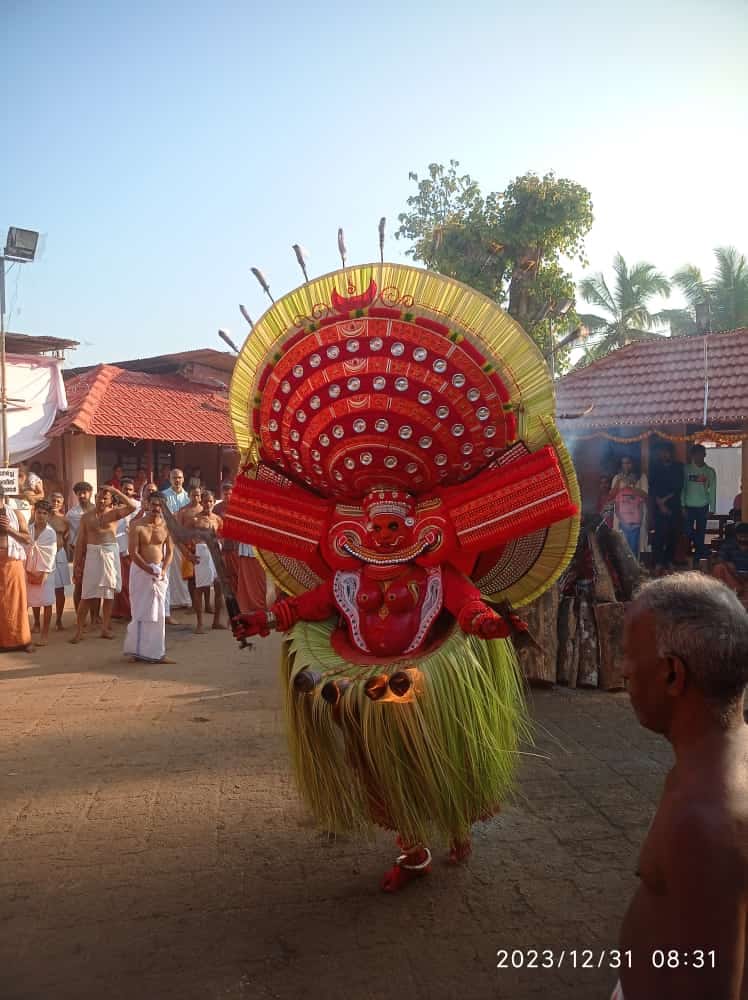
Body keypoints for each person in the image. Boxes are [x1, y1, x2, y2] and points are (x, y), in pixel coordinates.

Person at [226, 259, 579, 892]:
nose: (386, 534)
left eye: (397, 523)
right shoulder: (345, 578)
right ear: (350, 526)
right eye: (374, 524)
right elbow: (312, 605)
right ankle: (412, 846)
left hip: (424, 669)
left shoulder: (438, 572)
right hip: (361, 675)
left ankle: (453, 821)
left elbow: (467, 600)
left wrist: (483, 620)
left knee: (434, 751)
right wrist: (268, 616)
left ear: (421, 523)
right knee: (378, 765)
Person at [618, 574, 748, 1000]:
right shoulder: (720, 755)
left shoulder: (704, 820)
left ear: (673, 674)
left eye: (628, 657)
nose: (623, 673)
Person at [70, 485, 138, 643]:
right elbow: (80, 542)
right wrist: (77, 564)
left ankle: (105, 628)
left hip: (109, 554)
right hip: (93, 554)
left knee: (109, 594)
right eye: (99, 497)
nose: (101, 500)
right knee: (86, 594)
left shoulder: (114, 514)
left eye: (105, 498)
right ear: (95, 498)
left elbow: (132, 506)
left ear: (110, 501)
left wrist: (115, 491)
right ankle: (79, 630)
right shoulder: (86, 517)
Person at [124, 493, 174, 663]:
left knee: (159, 614)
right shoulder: (137, 525)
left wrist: (163, 571)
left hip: (159, 574)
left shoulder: (167, 526)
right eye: (153, 504)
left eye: (160, 505)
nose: (156, 508)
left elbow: (170, 552)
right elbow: (133, 552)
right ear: (146, 504)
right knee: (139, 612)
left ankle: (158, 653)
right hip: (140, 572)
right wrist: (148, 569)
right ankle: (136, 651)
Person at [0, 483, 33, 652]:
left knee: (16, 602)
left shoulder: (15, 514)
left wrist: (10, 530)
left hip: (12, 563)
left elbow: (27, 539)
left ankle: (21, 641)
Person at [191, 491, 225, 633]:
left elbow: (222, 536)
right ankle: (199, 623)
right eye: (206, 501)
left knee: (219, 588)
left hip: (215, 552)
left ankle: (216, 621)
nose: (208, 504)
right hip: (202, 552)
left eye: (211, 501)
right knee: (200, 587)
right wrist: (190, 553)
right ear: (202, 502)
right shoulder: (196, 519)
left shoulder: (217, 519)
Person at [25, 500, 58, 646]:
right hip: (28, 569)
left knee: (47, 601)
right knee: (30, 601)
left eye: (45, 513)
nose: (41, 515)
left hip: (46, 571)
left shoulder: (51, 533)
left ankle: (45, 634)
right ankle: (31, 628)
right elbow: (24, 549)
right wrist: (27, 571)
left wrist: (43, 575)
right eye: (39, 512)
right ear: (34, 512)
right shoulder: (27, 529)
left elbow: (50, 555)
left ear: (49, 516)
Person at [649, 442, 684, 572]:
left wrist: (665, 500)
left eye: (667, 452)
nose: (665, 455)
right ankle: (658, 562)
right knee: (659, 536)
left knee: (672, 535)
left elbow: (679, 486)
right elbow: (652, 486)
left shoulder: (678, 467)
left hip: (673, 505)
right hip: (658, 507)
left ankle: (669, 561)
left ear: (671, 453)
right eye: (662, 452)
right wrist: (660, 503)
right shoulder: (655, 467)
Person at [161, 469, 192, 614]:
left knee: (185, 569)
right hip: (170, 537)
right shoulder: (164, 496)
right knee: (171, 570)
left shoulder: (188, 497)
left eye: (179, 477)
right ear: (170, 479)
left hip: (186, 538)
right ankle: (172, 601)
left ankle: (186, 600)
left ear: (183, 479)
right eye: (174, 478)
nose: (177, 480)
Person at [681, 443, 717, 562]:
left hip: (703, 506)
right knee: (687, 531)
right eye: (696, 454)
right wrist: (682, 506)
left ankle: (696, 560)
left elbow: (712, 491)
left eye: (701, 454)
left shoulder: (710, 471)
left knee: (701, 534)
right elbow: (682, 488)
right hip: (688, 506)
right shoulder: (686, 469)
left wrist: (712, 509)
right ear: (692, 455)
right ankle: (704, 551)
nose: (698, 457)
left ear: (705, 455)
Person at [111, 478, 140, 620]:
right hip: (115, 548)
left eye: (130, 489)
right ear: (120, 489)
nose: (127, 491)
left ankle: (131, 611)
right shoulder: (113, 507)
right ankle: (118, 611)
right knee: (117, 582)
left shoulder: (137, 506)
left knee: (130, 583)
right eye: (125, 489)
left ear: (133, 491)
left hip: (131, 549)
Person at [610, 455, 649, 557]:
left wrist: (631, 485)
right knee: (621, 544)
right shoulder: (617, 477)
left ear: (633, 464)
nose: (626, 466)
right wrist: (619, 481)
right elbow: (611, 496)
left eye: (628, 463)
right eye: (624, 463)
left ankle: (636, 567)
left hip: (636, 516)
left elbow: (645, 495)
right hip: (620, 516)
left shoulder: (641, 477)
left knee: (635, 545)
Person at [48, 492, 71, 630]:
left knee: (59, 590)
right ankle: (39, 622)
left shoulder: (65, 520)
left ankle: (59, 620)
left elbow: (66, 537)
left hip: (59, 555)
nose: (55, 503)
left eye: (58, 501)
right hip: (44, 556)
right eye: (53, 500)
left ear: (62, 504)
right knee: (41, 588)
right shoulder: (40, 516)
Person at [712, 521, 748, 608]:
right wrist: (728, 564)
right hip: (733, 577)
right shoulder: (729, 544)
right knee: (718, 568)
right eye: (741, 536)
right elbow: (719, 559)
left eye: (746, 537)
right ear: (736, 535)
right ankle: (721, 599)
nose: (743, 539)